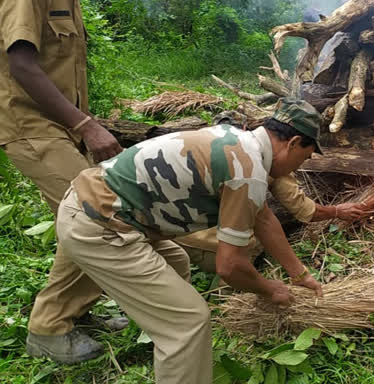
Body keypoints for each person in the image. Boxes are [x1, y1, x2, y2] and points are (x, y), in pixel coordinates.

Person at [39, 99, 326, 383]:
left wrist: (298, 274)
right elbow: (231, 267)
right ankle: (176, 343)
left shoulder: (239, 141)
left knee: (175, 261)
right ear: (293, 142)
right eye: (307, 155)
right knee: (188, 322)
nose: (301, 166)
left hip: (89, 204)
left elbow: (263, 219)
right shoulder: (247, 171)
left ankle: (166, 341)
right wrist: (270, 290)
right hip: (99, 225)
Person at [0, 0, 127, 363]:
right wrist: (85, 126)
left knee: (85, 216)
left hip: (59, 127)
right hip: (28, 125)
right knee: (94, 215)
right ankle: (49, 329)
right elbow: (22, 63)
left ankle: (76, 312)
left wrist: (83, 123)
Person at [176, 173, 374, 274]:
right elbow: (299, 210)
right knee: (248, 244)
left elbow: (280, 210)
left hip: (164, 224)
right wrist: (336, 211)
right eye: (306, 154)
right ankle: (228, 298)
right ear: (293, 143)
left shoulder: (261, 152)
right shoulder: (255, 162)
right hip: (186, 232)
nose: (308, 160)